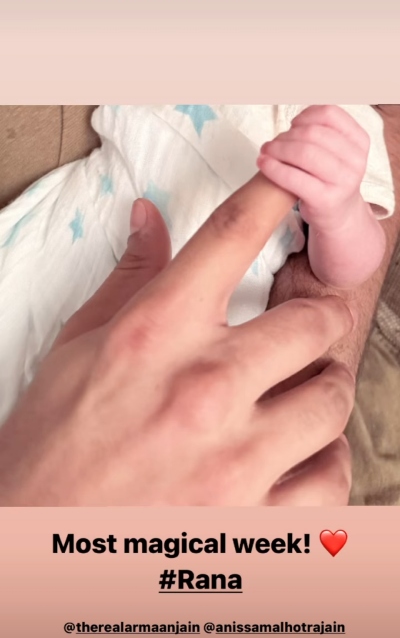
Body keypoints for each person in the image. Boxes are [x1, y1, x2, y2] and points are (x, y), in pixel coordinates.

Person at [0, 105, 398, 506]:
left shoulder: (346, 117)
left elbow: (350, 270)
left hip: (211, 325)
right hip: (76, 232)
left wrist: (341, 211)